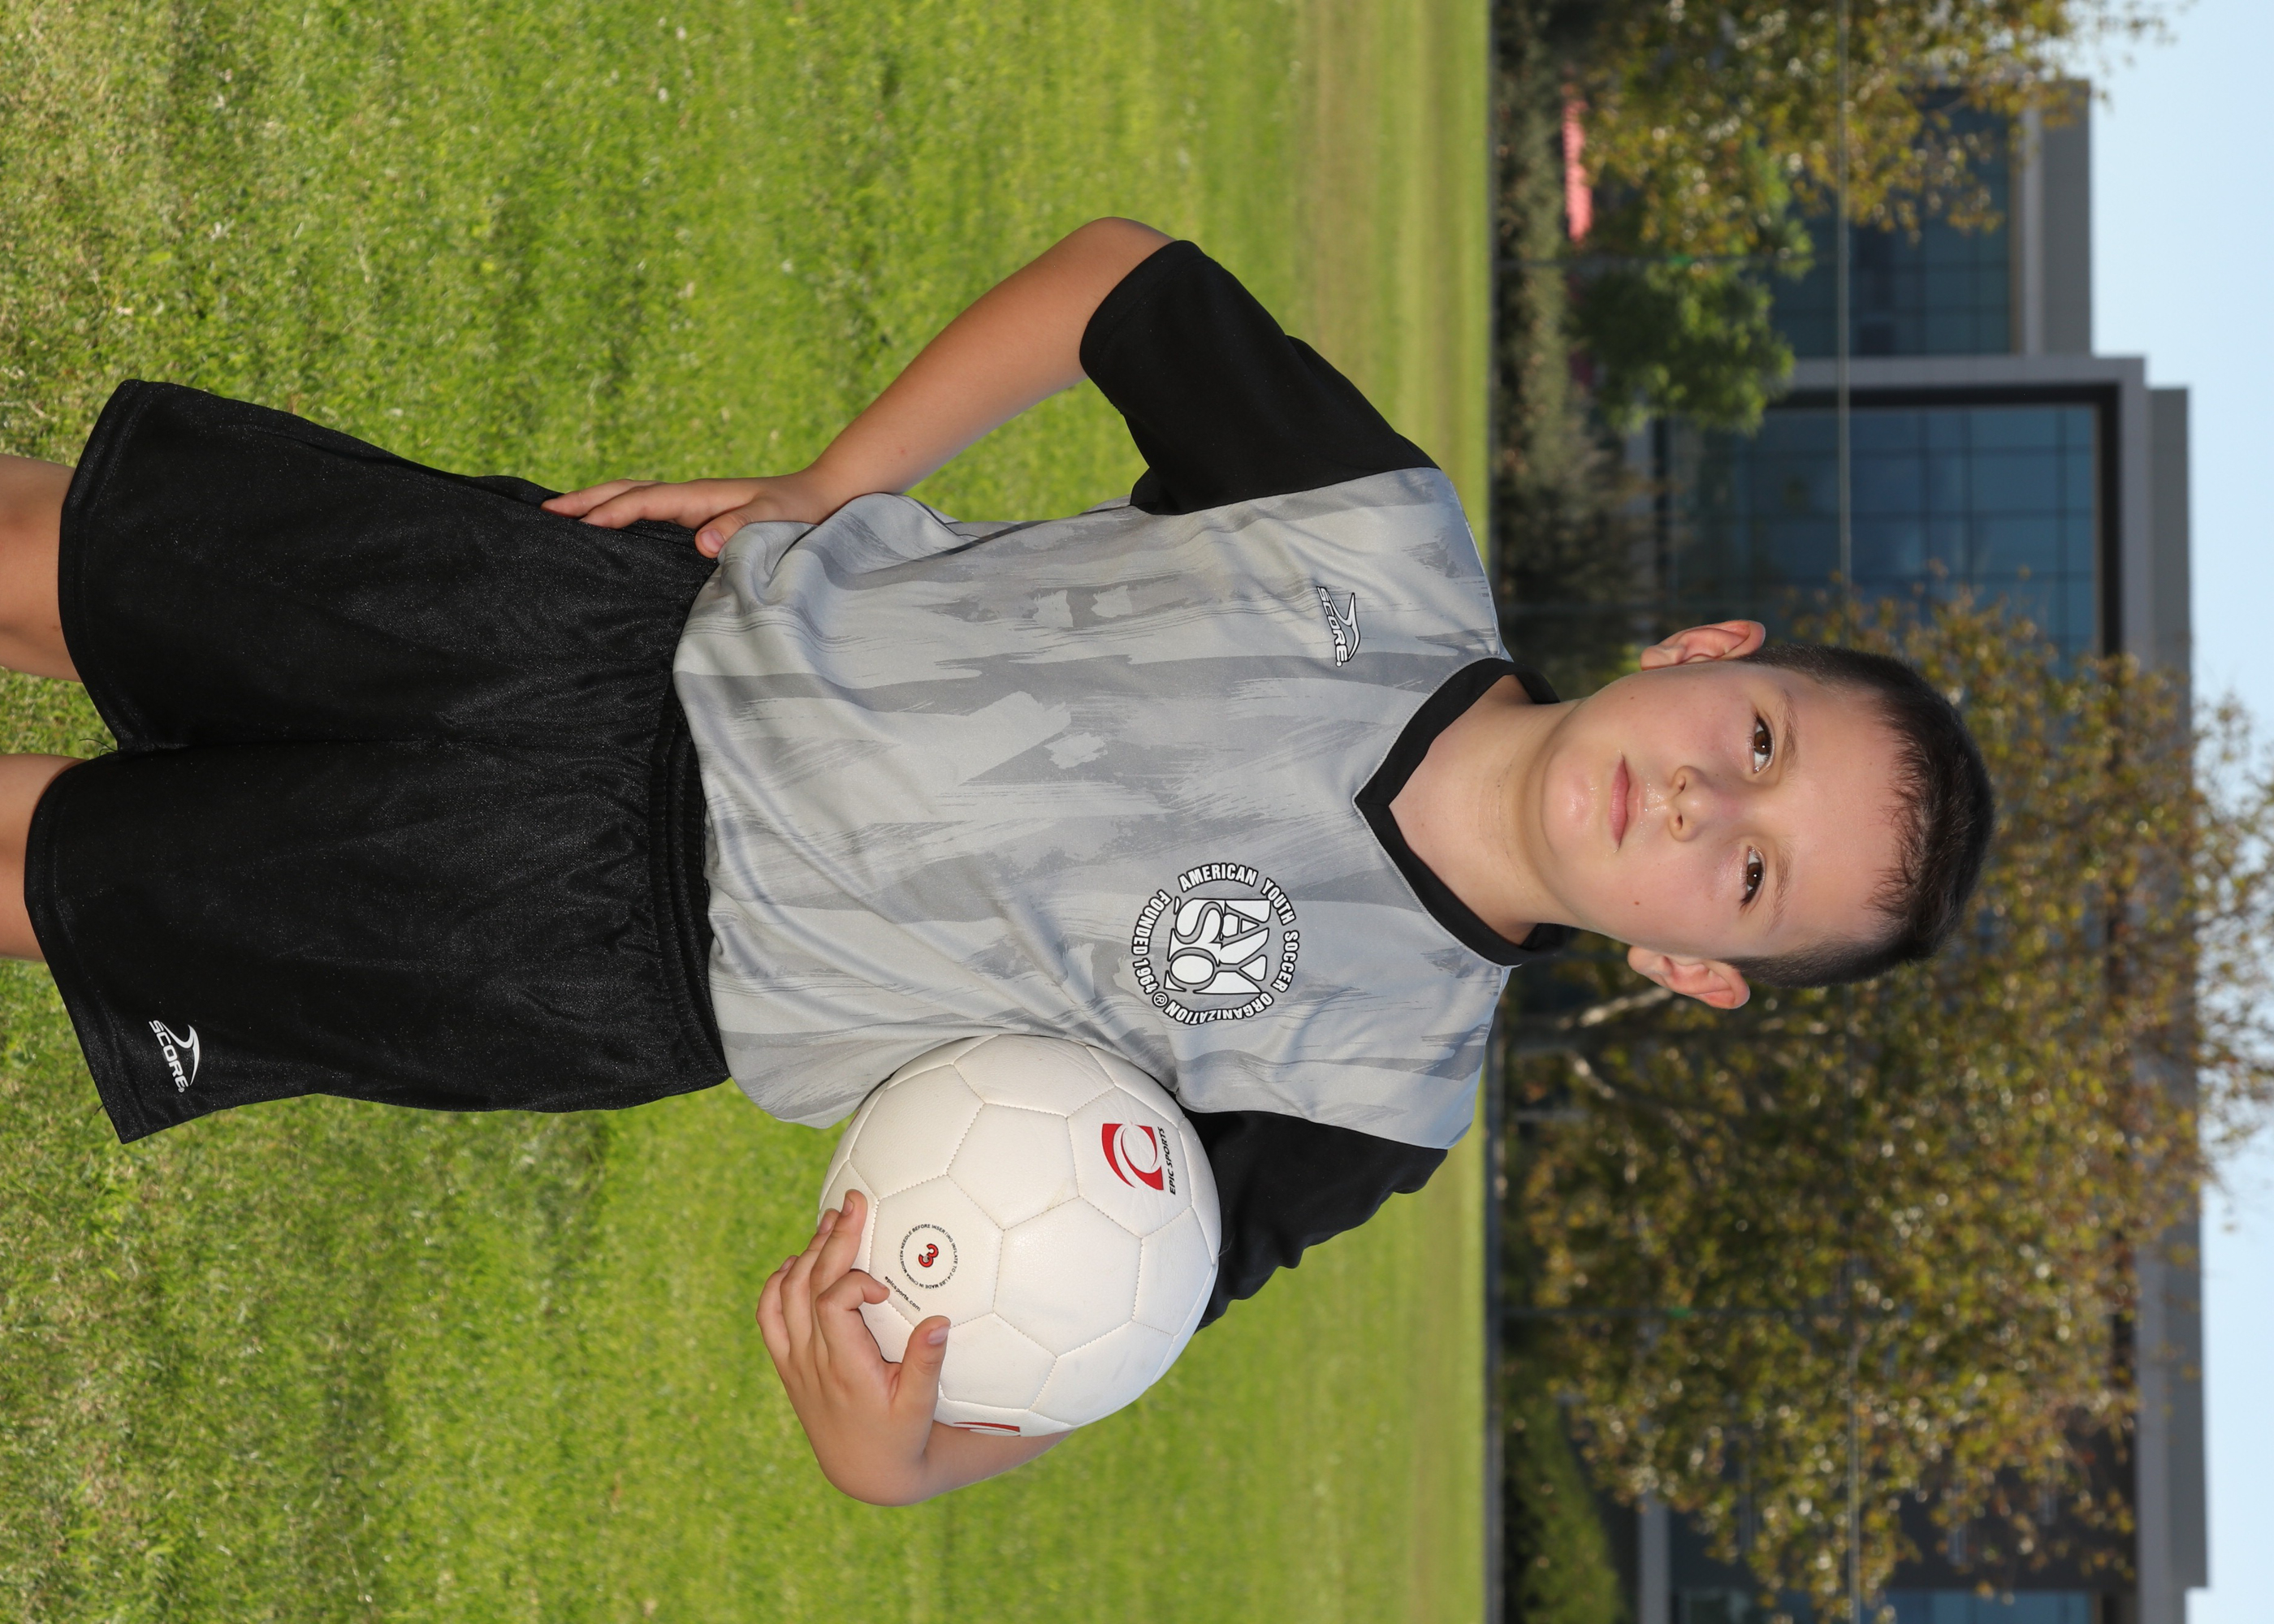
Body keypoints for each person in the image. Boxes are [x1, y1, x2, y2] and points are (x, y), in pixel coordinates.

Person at [0, 218, 1993, 1505]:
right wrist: (830, 483)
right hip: (607, 634)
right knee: (66, 562)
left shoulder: (1375, 1089)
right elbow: (1124, 283)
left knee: (64, 876)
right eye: (1756, 746)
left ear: (1691, 972)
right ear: (1706, 655)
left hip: (585, 958)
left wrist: (904, 1462)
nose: (1703, 809)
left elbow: (1119, 1311)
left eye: (1749, 880)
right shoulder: (1377, 534)